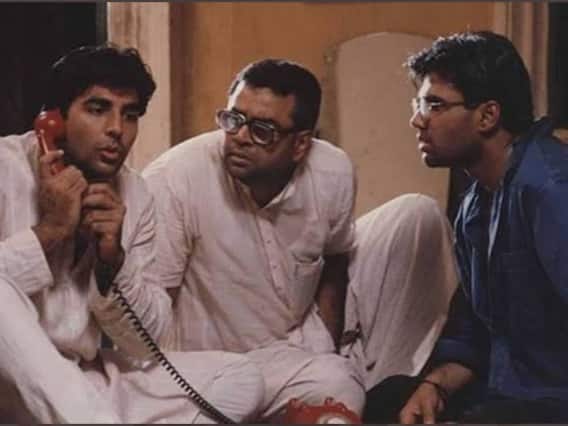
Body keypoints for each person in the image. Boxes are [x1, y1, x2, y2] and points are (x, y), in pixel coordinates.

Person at [142, 58, 458, 421]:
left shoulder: (332, 171)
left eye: (262, 130)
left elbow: (336, 260)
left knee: (417, 216)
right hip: (213, 367)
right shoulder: (175, 177)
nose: (240, 137)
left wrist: (326, 346)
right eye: (233, 119)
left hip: (298, 344)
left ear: (300, 145)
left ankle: (379, 389)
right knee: (330, 387)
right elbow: (154, 312)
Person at [0, 44, 264, 424]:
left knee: (240, 377)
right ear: (53, 119)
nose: (116, 130)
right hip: (8, 389)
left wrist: (112, 264)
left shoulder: (135, 194)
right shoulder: (6, 167)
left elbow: (145, 345)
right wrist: (51, 231)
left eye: (130, 115)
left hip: (82, 381)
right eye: (98, 109)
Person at [365, 30, 568, 424]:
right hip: (508, 390)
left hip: (553, 402)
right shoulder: (476, 202)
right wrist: (435, 386)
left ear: (488, 116)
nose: (417, 120)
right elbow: (475, 328)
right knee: (388, 400)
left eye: (435, 105)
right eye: (418, 103)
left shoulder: (551, 189)